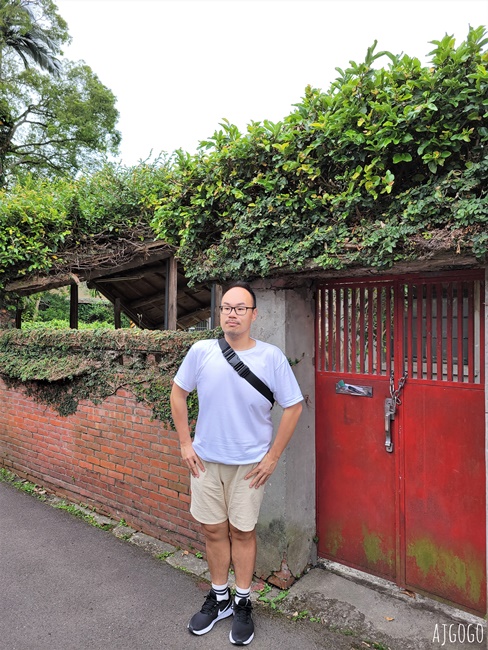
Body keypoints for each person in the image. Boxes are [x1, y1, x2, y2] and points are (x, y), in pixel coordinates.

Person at [170, 281, 303, 646]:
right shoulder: (201, 351)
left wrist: (273, 456)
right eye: (226, 307)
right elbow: (178, 393)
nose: (231, 312)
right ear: (220, 313)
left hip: (250, 466)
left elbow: (294, 406)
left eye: (240, 307)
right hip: (206, 463)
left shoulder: (271, 357)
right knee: (213, 531)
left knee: (243, 532)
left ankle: (243, 601)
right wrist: (185, 443)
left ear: (253, 315)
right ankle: (220, 597)